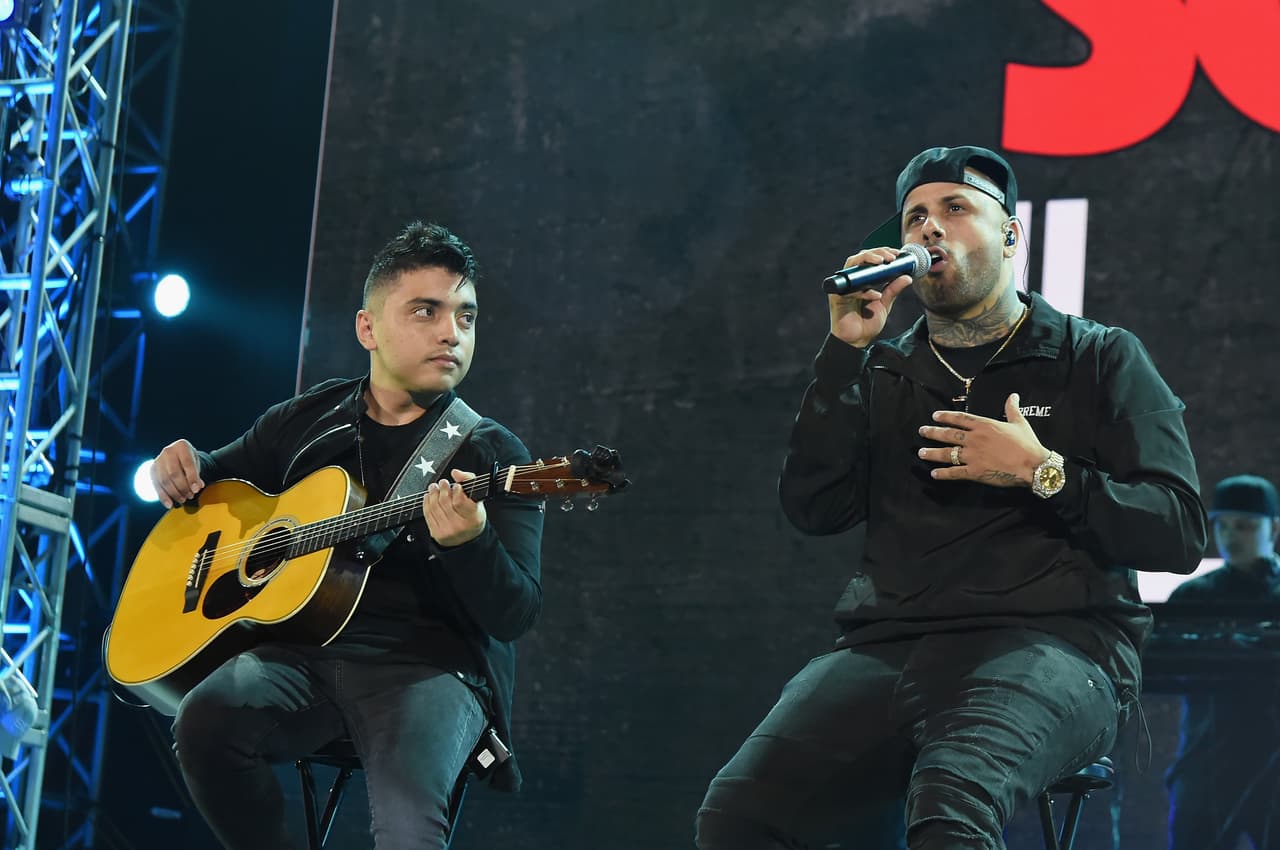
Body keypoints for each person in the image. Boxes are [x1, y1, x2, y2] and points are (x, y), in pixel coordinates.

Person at [695, 145, 1207, 849]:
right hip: (891, 645)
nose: (928, 230)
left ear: (1010, 235)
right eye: (915, 217)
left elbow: (1178, 531)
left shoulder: (1098, 357)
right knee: (739, 815)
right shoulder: (882, 370)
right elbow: (814, 509)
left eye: (955, 208)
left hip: (1058, 643)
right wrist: (842, 354)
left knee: (950, 804)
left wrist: (1042, 472)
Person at [147, 221, 545, 850]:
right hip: (299, 659)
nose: (452, 332)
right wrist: (177, 462)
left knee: (409, 831)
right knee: (203, 720)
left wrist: (471, 543)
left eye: (466, 318)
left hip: (429, 672)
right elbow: (212, 481)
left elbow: (516, 612)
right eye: (426, 311)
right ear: (368, 328)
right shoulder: (306, 420)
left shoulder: (494, 454)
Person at [1164, 474, 1280, 850]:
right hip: (1208, 758)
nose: (1231, 536)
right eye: (1223, 525)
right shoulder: (1192, 595)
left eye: (1244, 526)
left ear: (1274, 528)